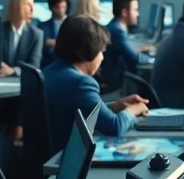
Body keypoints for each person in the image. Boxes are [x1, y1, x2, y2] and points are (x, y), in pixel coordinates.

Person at [43, 16, 149, 147]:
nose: (102, 57)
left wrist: (115, 106)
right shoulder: (81, 83)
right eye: (101, 51)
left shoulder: (48, 72)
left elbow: (80, 109)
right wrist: (133, 110)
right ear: (88, 51)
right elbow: (114, 126)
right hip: (67, 154)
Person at [105, 0, 154, 90]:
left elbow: (127, 52)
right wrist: (154, 59)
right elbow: (135, 58)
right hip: (117, 83)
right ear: (124, 12)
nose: (138, 14)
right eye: (135, 10)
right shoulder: (117, 30)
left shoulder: (116, 26)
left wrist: (141, 50)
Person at [0, 0, 43, 78]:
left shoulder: (36, 34)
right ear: (17, 6)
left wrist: (13, 71)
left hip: (21, 81)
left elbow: (34, 66)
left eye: (32, 5)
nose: (32, 9)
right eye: (28, 5)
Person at [39, 0, 70, 65]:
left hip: (68, 63)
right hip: (48, 63)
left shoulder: (73, 24)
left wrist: (55, 43)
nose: (61, 10)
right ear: (51, 8)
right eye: (57, 7)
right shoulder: (42, 26)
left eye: (64, 7)